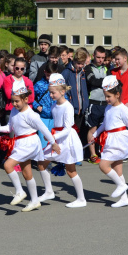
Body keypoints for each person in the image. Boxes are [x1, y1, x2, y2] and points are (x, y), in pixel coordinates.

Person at [0, 80, 60, 212]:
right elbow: (10, 128)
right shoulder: (14, 112)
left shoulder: (31, 115)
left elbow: (43, 129)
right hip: (20, 143)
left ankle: (20, 191)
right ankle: (34, 201)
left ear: (26, 99)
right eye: (13, 101)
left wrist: (53, 143)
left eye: (17, 101)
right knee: (27, 173)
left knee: (7, 165)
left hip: (30, 143)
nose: (14, 104)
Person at [38, 73, 86, 208]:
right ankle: (48, 191)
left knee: (71, 170)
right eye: (50, 93)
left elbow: (67, 128)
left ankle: (81, 199)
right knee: (41, 162)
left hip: (67, 139)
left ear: (62, 92)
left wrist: (53, 138)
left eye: (53, 93)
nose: (51, 96)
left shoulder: (68, 107)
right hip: (57, 138)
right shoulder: (54, 106)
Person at [91, 75, 128, 207]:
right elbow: (105, 124)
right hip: (111, 140)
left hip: (120, 141)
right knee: (117, 171)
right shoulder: (108, 108)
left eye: (109, 96)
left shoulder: (123, 109)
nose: (106, 99)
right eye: (105, 96)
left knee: (103, 165)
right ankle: (124, 199)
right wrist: (95, 134)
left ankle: (121, 185)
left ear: (117, 94)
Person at [85, 46, 108, 164]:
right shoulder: (88, 68)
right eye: (98, 57)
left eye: (103, 58)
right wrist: (106, 82)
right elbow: (92, 81)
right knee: (92, 129)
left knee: (104, 129)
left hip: (105, 103)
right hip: (93, 103)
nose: (100, 60)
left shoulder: (106, 68)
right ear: (93, 56)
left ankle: (102, 152)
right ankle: (92, 154)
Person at [62, 49, 89, 134]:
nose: (80, 66)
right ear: (74, 61)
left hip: (82, 109)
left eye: (82, 64)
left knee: (81, 134)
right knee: (72, 133)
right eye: (78, 63)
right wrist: (68, 100)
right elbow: (61, 89)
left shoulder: (83, 73)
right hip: (72, 108)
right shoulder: (67, 72)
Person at [33, 62, 59, 148]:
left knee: (54, 141)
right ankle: (43, 160)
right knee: (43, 141)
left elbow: (64, 97)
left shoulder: (59, 85)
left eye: (51, 76)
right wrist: (37, 106)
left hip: (55, 117)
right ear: (44, 72)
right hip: (43, 117)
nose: (49, 78)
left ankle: (53, 159)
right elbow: (30, 98)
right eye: (48, 75)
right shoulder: (39, 84)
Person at [3, 57, 34, 124]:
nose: (19, 70)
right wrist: (24, 96)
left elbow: (31, 98)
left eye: (22, 69)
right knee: (11, 133)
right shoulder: (7, 80)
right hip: (11, 111)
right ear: (14, 67)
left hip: (25, 112)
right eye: (17, 68)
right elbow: (9, 96)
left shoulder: (28, 81)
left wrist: (14, 92)